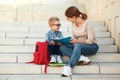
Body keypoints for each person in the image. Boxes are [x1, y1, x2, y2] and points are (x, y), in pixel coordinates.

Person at [60, 6, 99, 77]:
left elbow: (90, 41)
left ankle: (69, 66)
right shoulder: (73, 24)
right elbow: (74, 38)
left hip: (92, 46)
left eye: (68, 17)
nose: (67, 19)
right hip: (78, 45)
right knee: (62, 47)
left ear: (74, 17)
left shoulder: (88, 23)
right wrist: (67, 41)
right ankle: (81, 57)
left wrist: (77, 41)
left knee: (78, 45)